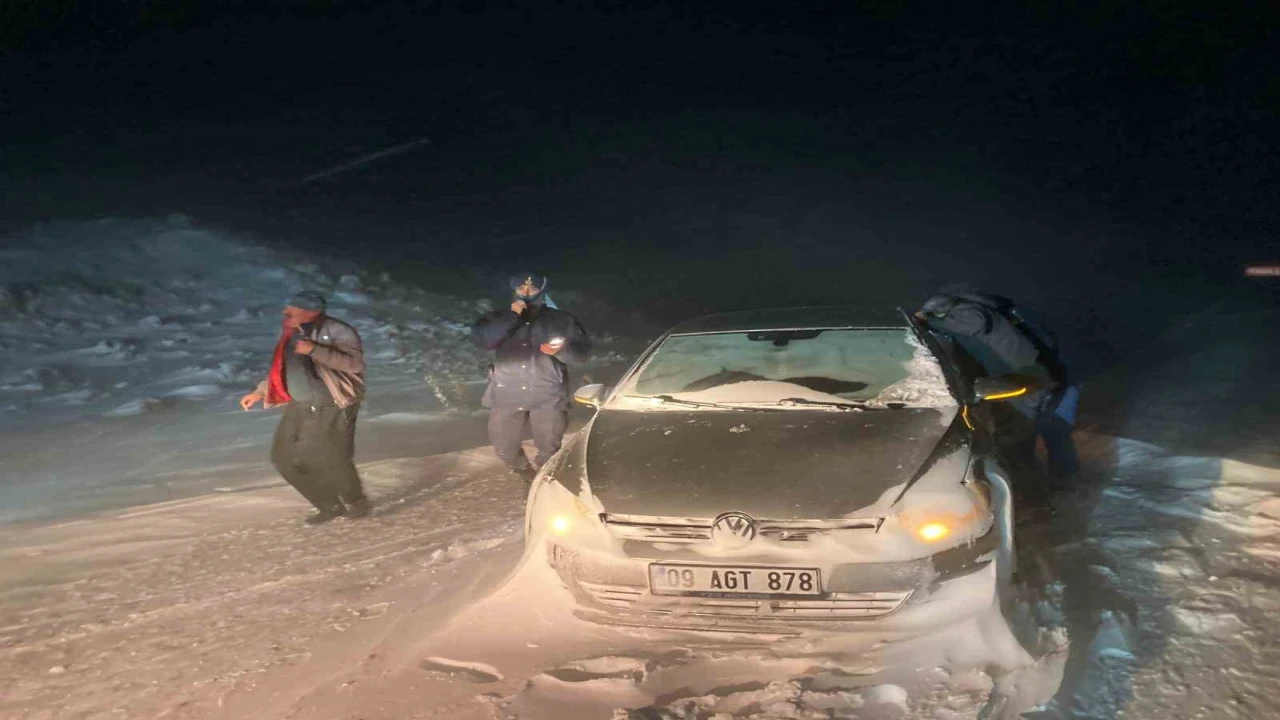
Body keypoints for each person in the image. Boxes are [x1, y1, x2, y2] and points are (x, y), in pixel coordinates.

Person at [915, 288, 1080, 484]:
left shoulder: (972, 313)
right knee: (1047, 433)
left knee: (1016, 443)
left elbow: (976, 323)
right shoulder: (992, 312)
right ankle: (1061, 481)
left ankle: (1037, 496)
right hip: (1039, 375)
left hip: (1024, 381)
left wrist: (924, 321)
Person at [239, 290, 370, 524]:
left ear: (311, 312)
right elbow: (286, 369)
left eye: (292, 309)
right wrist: (260, 391)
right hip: (299, 403)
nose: (285, 312)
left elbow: (354, 364)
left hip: (331, 403)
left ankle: (355, 501)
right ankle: (328, 504)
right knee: (283, 458)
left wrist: (314, 350)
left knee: (331, 455)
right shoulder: (291, 334)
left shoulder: (338, 330)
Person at [472, 273, 590, 480]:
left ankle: (541, 483)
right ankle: (527, 475)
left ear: (542, 291)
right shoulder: (498, 317)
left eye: (532, 289)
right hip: (507, 393)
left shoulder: (561, 319)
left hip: (547, 394)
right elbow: (484, 341)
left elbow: (581, 355)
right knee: (504, 447)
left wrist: (561, 351)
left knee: (549, 449)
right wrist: (513, 317)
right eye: (521, 289)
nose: (526, 293)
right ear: (513, 291)